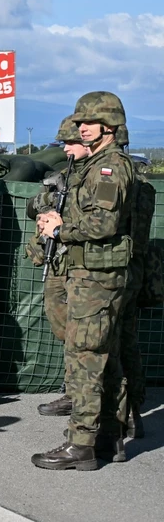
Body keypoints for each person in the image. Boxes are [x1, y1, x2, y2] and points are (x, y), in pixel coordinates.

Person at [32, 91, 134, 471]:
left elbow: (103, 222)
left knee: (86, 358)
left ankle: (80, 444)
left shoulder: (111, 167)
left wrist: (61, 228)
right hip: (88, 274)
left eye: (87, 122)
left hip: (97, 278)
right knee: (99, 356)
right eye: (79, 122)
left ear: (109, 126)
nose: (80, 128)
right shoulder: (94, 164)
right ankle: (109, 436)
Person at [24, 116, 90, 418]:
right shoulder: (67, 173)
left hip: (87, 264)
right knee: (62, 325)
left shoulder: (103, 175)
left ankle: (95, 400)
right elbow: (34, 203)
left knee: (89, 335)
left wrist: (63, 224)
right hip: (59, 260)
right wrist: (45, 212)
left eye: (71, 142)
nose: (65, 148)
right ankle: (72, 391)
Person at [114, 123, 152, 439]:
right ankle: (135, 411)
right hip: (136, 269)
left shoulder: (119, 181)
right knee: (129, 341)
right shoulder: (144, 187)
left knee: (113, 345)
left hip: (116, 269)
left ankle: (121, 415)